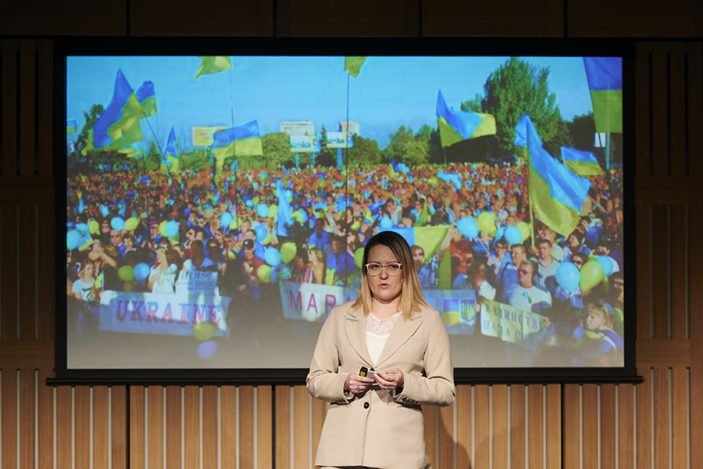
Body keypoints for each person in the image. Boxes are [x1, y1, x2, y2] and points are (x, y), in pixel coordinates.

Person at [307, 231, 455, 469]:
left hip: (399, 454)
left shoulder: (427, 320)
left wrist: (404, 382)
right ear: (365, 272)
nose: (383, 275)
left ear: (405, 270)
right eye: (374, 266)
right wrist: (345, 383)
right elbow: (315, 380)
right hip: (341, 453)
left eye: (392, 266)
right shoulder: (340, 316)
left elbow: (445, 390)